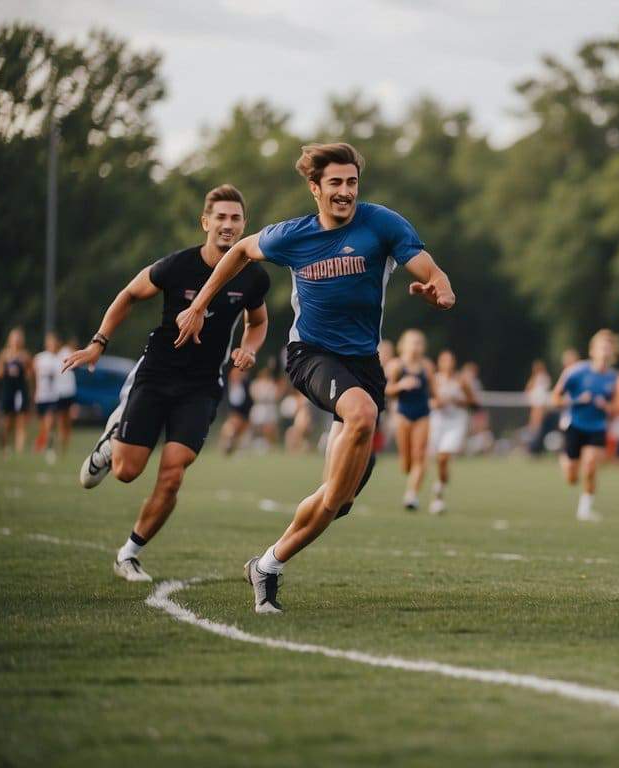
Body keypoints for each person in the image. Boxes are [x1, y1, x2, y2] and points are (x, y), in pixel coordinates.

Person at [173, 142, 454, 614]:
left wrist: (440, 292)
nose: (345, 192)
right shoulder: (292, 236)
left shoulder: (382, 223)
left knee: (335, 501)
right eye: (335, 184)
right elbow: (240, 250)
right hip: (310, 356)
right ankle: (272, 562)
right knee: (361, 413)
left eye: (352, 183)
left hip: (364, 366)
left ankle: (266, 565)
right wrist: (199, 305)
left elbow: (432, 271)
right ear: (315, 188)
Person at [63, 184, 270, 582]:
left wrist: (250, 349)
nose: (228, 226)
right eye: (221, 218)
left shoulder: (254, 276)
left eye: (236, 219)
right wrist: (97, 344)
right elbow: (128, 294)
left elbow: (257, 322)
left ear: (245, 225)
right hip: (156, 376)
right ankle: (112, 444)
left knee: (173, 474)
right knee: (127, 471)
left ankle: (129, 553)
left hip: (202, 385)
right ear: (205, 222)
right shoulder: (177, 266)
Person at [551, 329, 619, 522]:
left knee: (590, 467)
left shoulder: (614, 378)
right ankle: (564, 459)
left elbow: (617, 407)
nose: (605, 351)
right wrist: (576, 401)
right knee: (571, 478)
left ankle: (585, 510)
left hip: (597, 427)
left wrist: (606, 406)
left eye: (609, 347)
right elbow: (555, 398)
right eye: (602, 347)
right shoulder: (576, 371)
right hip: (575, 425)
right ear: (593, 351)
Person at [386, 329, 434, 511]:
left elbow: (434, 391)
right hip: (402, 414)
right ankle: (411, 474)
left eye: (419, 343)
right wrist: (401, 385)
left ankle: (411, 495)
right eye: (412, 342)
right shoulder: (396, 366)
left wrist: (437, 400)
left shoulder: (427, 366)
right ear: (403, 345)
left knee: (420, 455)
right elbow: (387, 390)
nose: (415, 346)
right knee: (406, 462)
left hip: (423, 414)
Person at [428, 349, 477, 513]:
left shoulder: (461, 380)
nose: (448, 364)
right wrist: (436, 403)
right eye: (444, 361)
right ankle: (441, 483)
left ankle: (440, 489)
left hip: (456, 423)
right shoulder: (434, 380)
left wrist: (458, 400)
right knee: (439, 459)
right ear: (439, 363)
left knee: (444, 456)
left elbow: (473, 401)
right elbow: (429, 400)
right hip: (438, 422)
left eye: (450, 361)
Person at [0, 328, 33, 454]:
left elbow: (30, 373)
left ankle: (19, 450)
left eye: (18, 339)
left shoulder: (25, 356)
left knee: (21, 421)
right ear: (10, 340)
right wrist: (5, 370)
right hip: (8, 391)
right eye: (14, 338)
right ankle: (5, 446)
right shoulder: (4, 354)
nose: (16, 341)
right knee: (7, 421)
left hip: (20, 391)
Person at [33, 332, 63, 458]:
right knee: (43, 427)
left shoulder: (58, 359)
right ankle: (40, 445)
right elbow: (34, 376)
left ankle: (50, 448)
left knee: (49, 423)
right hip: (41, 396)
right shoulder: (39, 358)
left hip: (52, 397)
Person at [220, 366, 254, 455]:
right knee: (229, 430)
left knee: (241, 435)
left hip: (245, 415)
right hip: (234, 415)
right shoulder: (228, 386)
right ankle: (227, 447)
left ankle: (235, 448)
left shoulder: (246, 384)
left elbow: (249, 401)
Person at [54, 336, 77, 454]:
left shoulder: (65, 352)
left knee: (66, 421)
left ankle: (64, 446)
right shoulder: (54, 356)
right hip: (60, 392)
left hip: (68, 391)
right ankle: (61, 445)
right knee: (61, 421)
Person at [524, 359, 552, 454]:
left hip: (540, 407)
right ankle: (532, 447)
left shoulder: (543, 378)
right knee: (533, 428)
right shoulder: (535, 379)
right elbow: (528, 390)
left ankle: (535, 448)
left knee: (537, 428)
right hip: (536, 406)